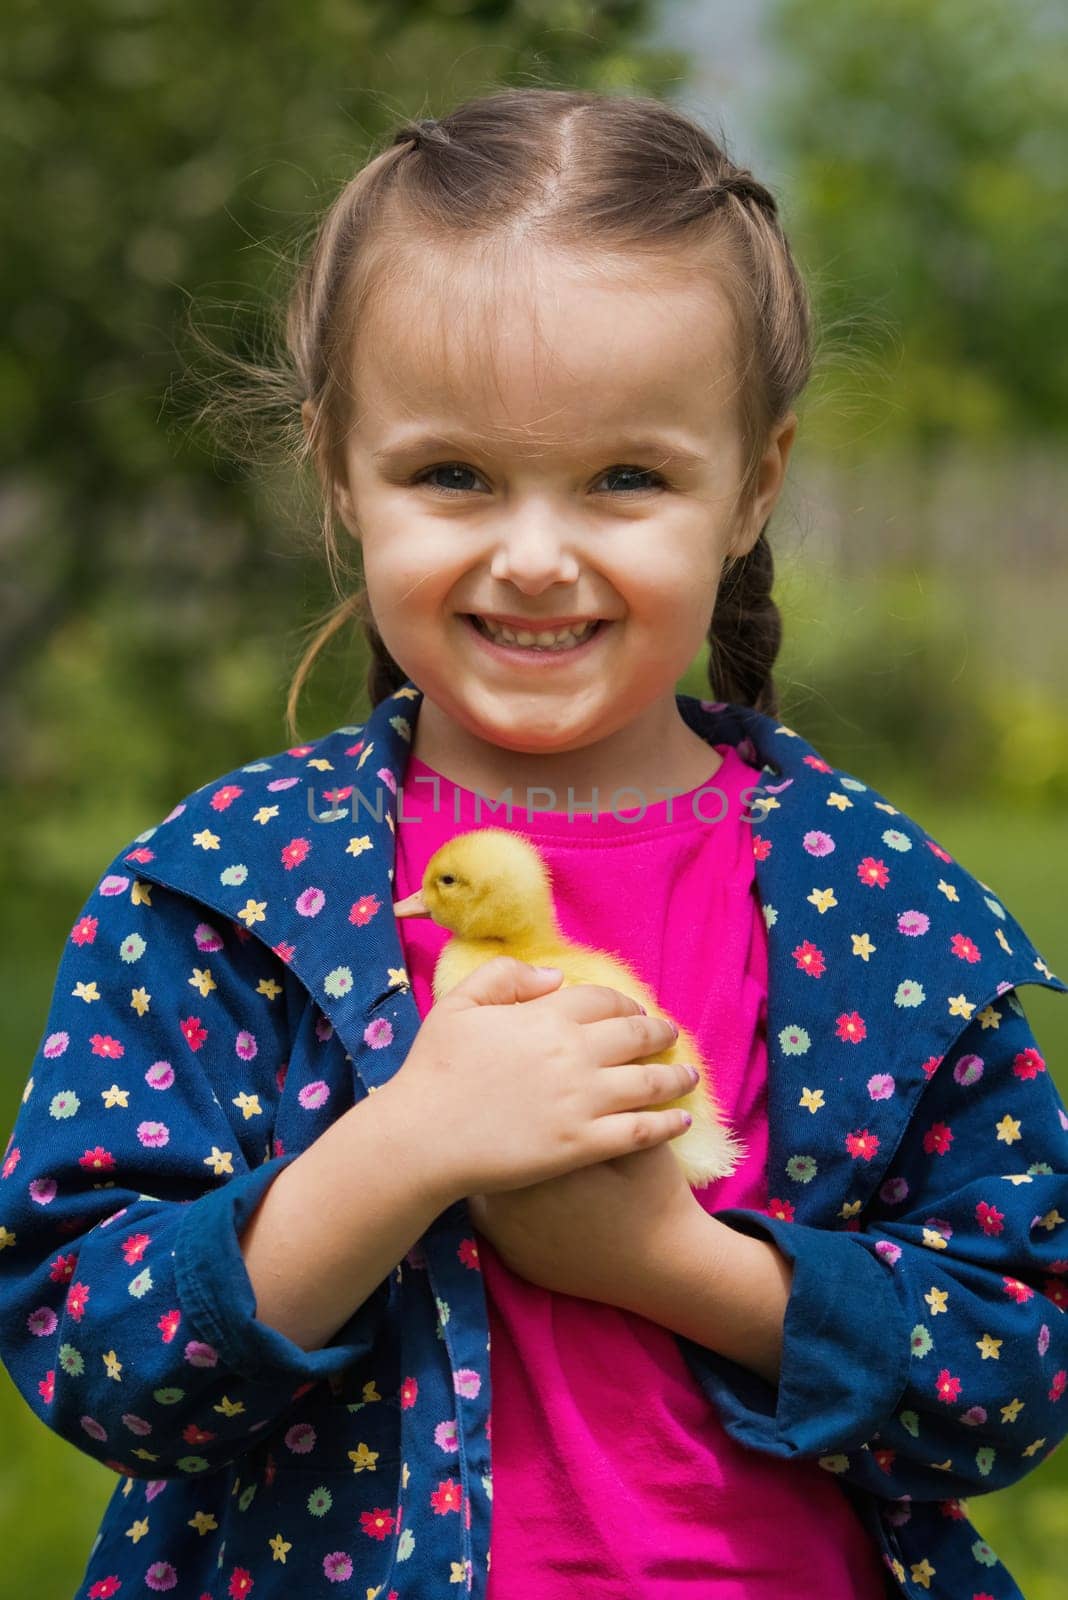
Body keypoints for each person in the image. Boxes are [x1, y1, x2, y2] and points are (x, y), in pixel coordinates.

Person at [0, 86, 1065, 1600]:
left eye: (627, 477)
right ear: (337, 472)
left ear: (754, 484)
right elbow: (92, 1351)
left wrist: (664, 1265)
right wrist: (402, 1152)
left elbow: (1012, 1367)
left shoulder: (875, 908)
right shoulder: (219, 894)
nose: (537, 554)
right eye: (453, 475)